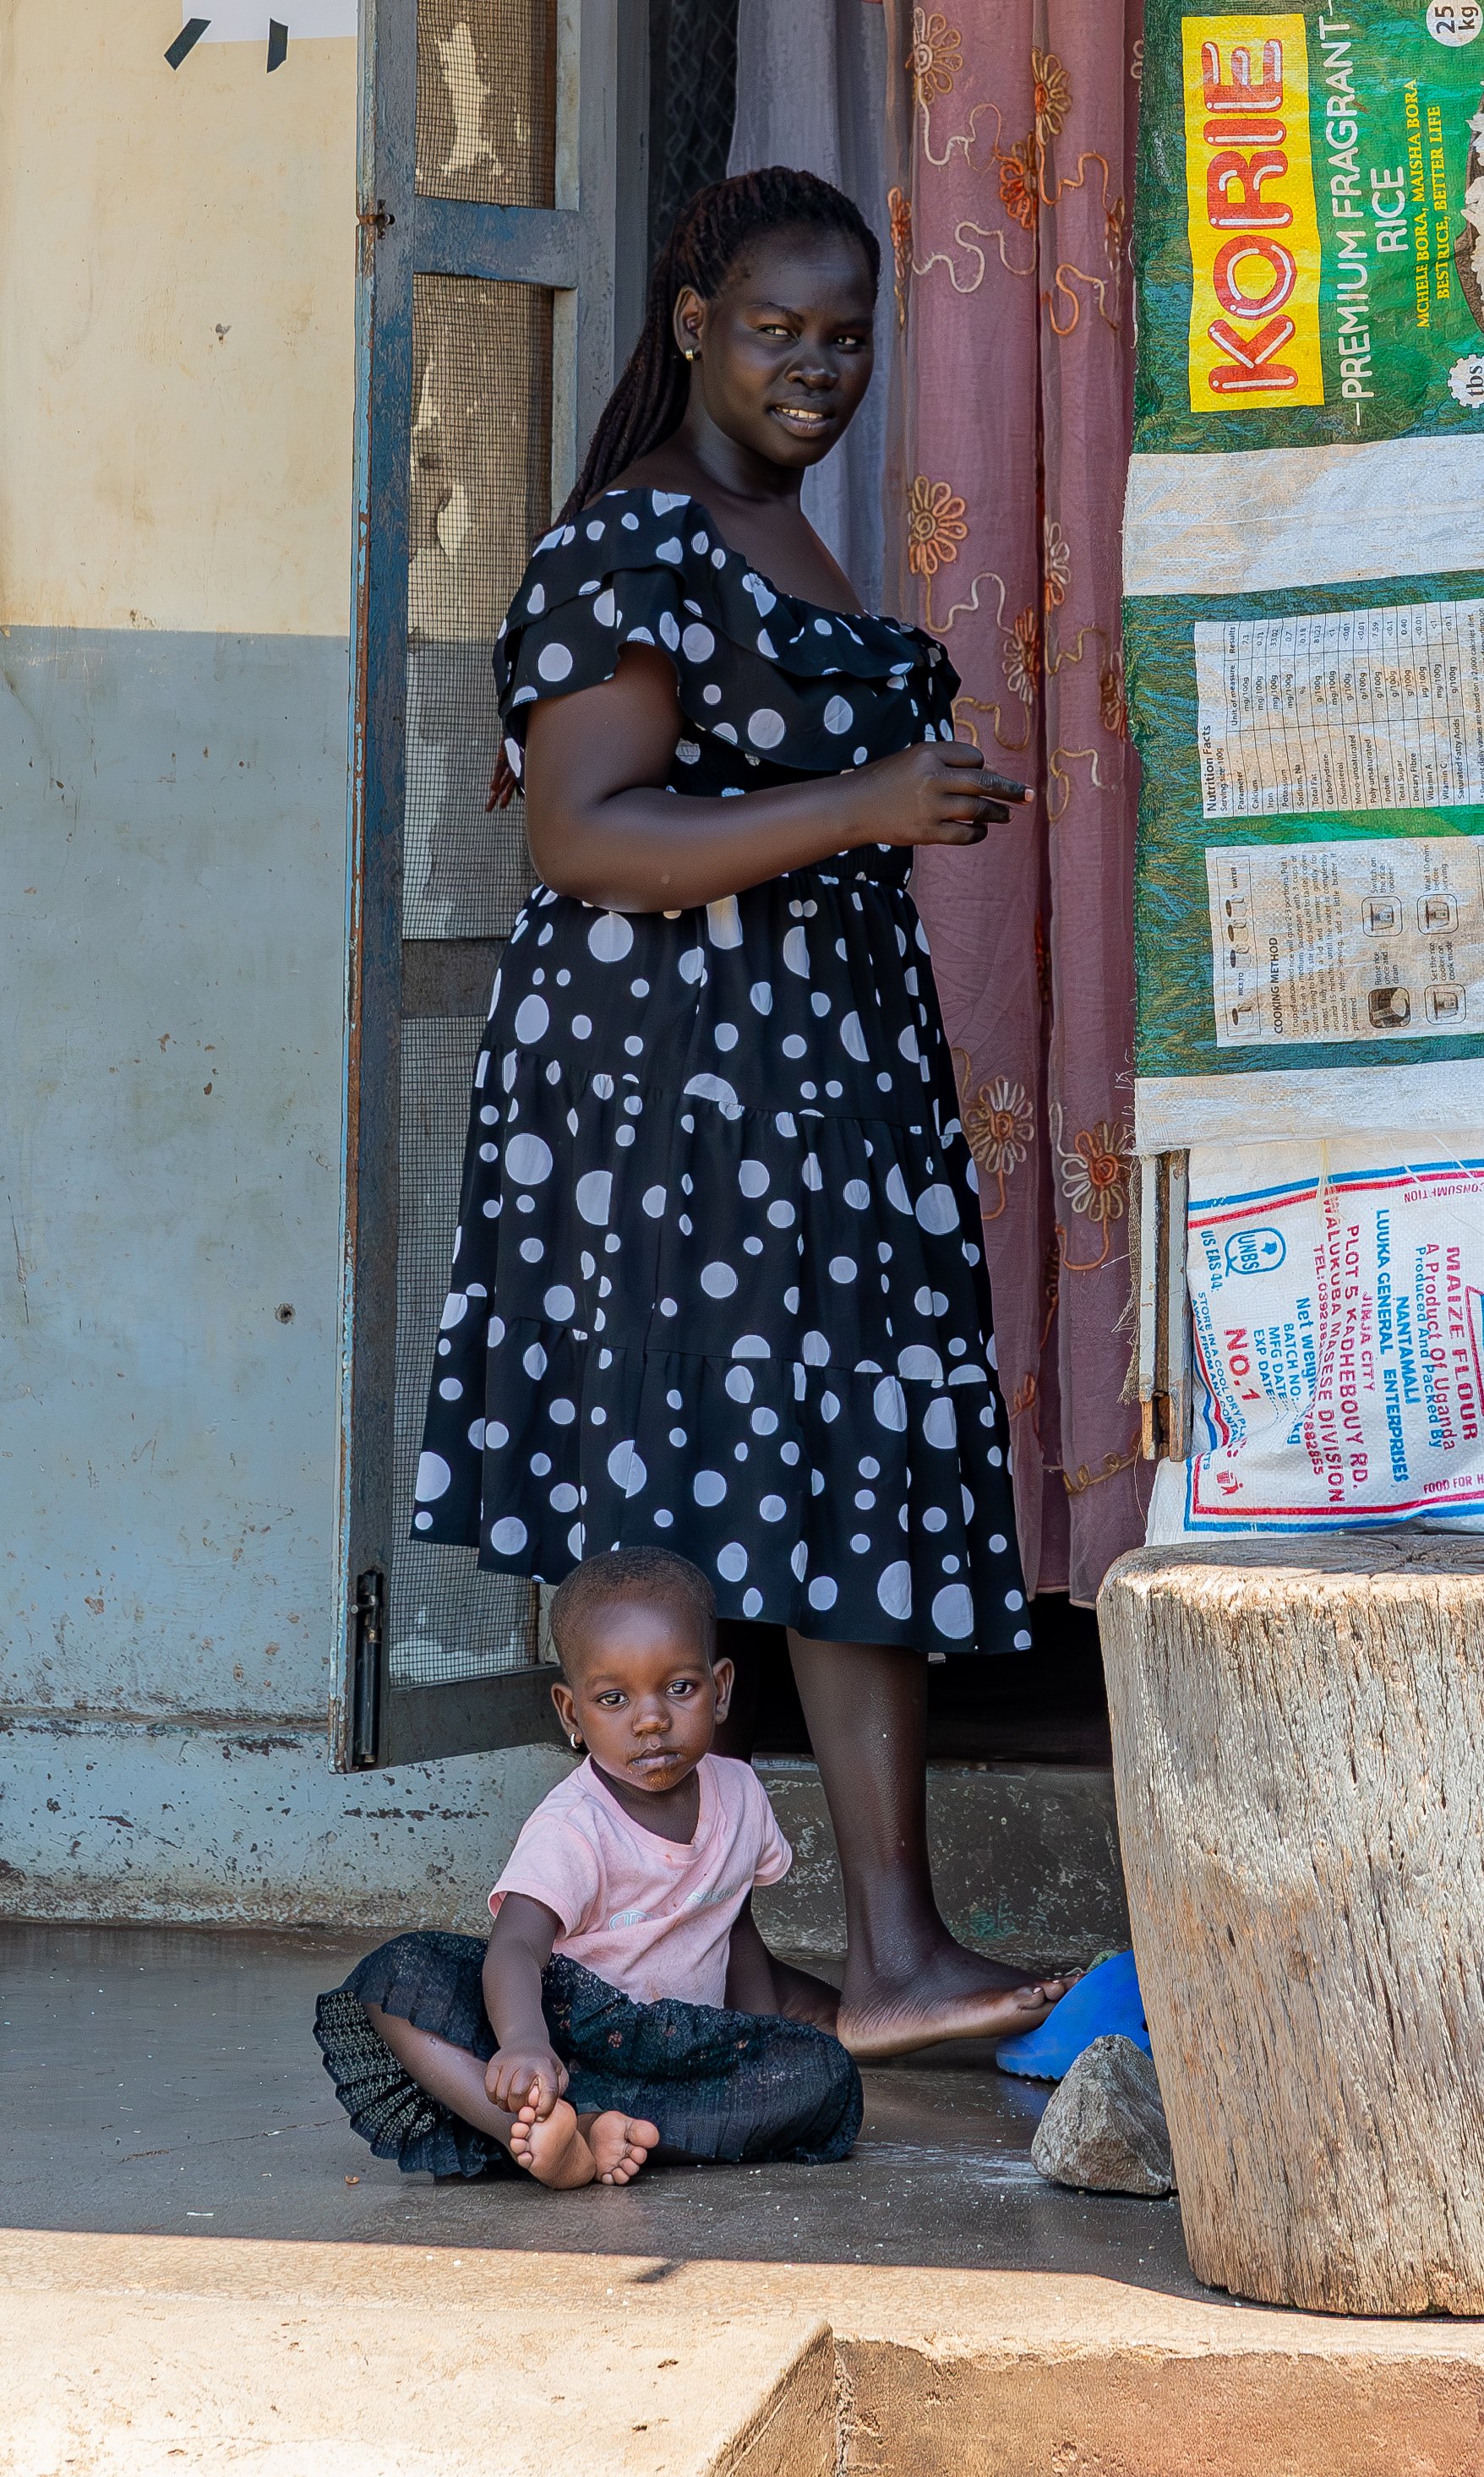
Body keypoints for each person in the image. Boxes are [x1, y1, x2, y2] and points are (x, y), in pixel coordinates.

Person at [411, 165, 1078, 2057]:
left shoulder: (777, 531)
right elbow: (581, 831)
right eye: (776, 330)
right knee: (687, 1499)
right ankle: (680, 1962)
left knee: (844, 1465)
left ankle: (889, 1950)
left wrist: (896, 804)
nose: (816, 368)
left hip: (812, 1072)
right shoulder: (629, 537)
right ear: (692, 322)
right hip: (670, 1089)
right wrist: (866, 806)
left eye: (847, 336)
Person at [314, 1548, 862, 2188]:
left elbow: (732, 1926)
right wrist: (524, 2041)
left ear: (721, 1690)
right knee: (397, 1975)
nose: (651, 1719)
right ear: (573, 1713)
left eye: (680, 1688)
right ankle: (530, 2129)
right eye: (614, 1698)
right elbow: (515, 1947)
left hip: (683, 2053)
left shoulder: (740, 1796)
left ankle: (600, 2129)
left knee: (826, 2074)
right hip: (569, 2037)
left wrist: (758, 2044)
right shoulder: (574, 1825)